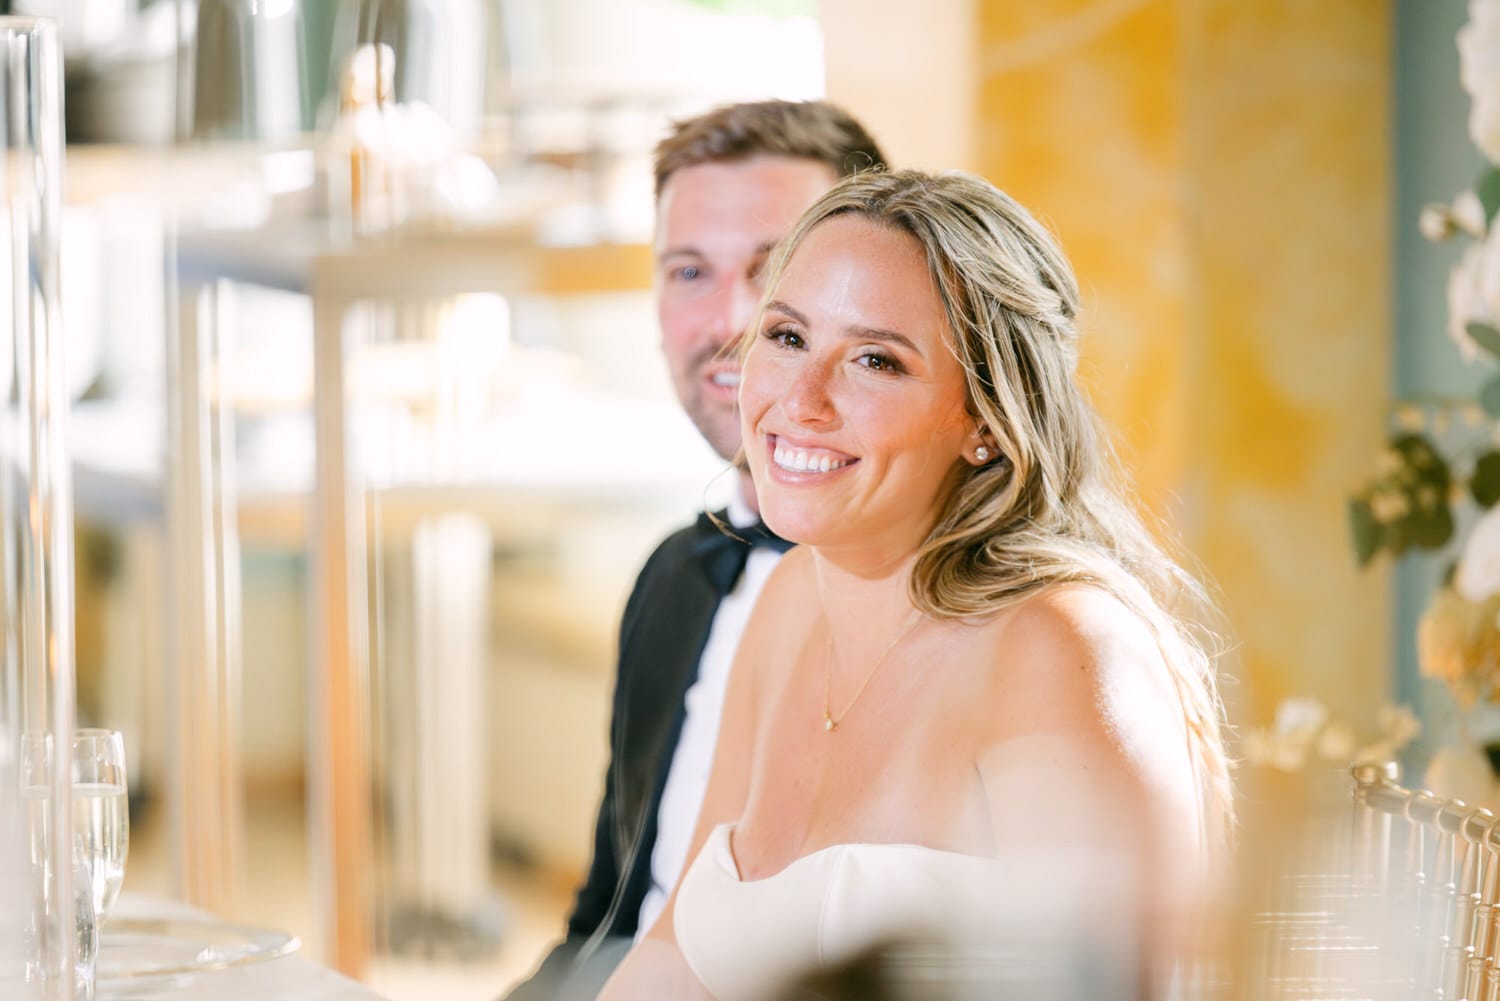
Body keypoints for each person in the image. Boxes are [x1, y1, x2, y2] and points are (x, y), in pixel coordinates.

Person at [595, 169, 1234, 1001]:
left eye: (874, 360)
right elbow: (677, 960)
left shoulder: (1057, 653)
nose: (802, 398)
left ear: (985, 422)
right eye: (786, 337)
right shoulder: (791, 601)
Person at [504, 101, 887, 1001]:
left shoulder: (948, 627)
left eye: (776, 268)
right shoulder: (678, 576)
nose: (734, 319)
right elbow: (608, 918)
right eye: (689, 271)